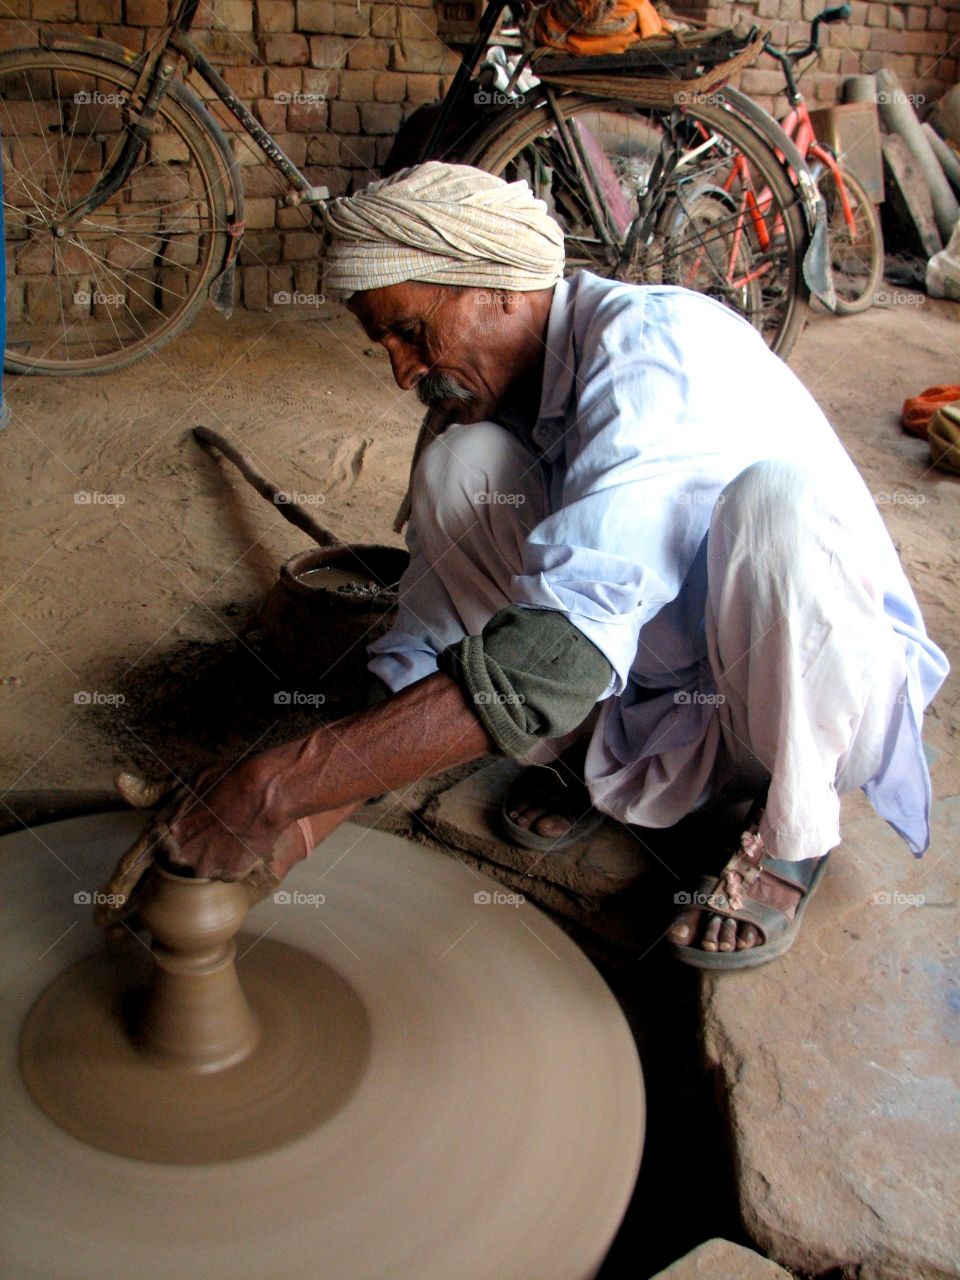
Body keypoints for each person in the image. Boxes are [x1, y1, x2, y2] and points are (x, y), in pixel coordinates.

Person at [99, 162, 948, 970]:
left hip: (799, 697)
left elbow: (556, 659)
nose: (402, 373)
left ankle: (792, 834)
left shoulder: (656, 354)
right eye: (383, 345)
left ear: (499, 286)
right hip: (671, 692)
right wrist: (292, 829)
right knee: (461, 471)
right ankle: (601, 759)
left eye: (408, 331)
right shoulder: (498, 401)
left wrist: (271, 784)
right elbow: (429, 638)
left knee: (779, 507)